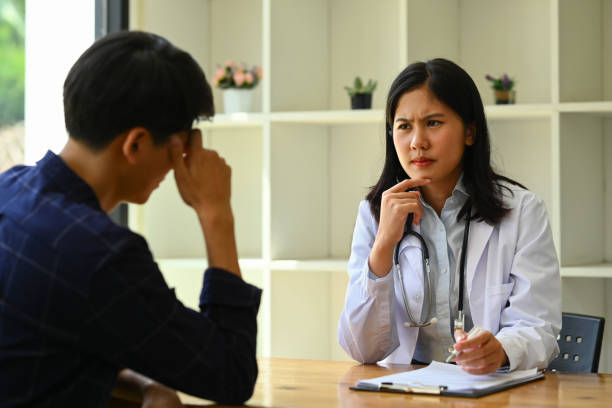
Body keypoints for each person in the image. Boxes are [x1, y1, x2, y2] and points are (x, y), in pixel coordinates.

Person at [0, 31, 261, 407]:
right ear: (135, 144)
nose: (179, 166)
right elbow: (230, 373)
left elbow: (43, 344)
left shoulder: (10, 191)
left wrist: (141, 382)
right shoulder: (101, 256)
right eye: (180, 148)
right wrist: (216, 212)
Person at [338, 58, 561, 374]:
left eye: (433, 123)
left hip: (491, 388)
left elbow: (538, 326)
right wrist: (384, 244)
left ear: (470, 132)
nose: (417, 142)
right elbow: (361, 349)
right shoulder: (374, 213)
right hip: (407, 389)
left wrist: (501, 350)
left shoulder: (523, 212)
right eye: (404, 126)